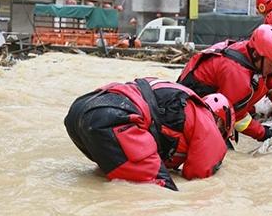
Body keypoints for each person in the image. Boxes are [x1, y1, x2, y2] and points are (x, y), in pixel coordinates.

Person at [64, 78, 235, 191]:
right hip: (114, 119)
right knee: (164, 197)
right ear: (221, 123)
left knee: (112, 184)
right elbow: (198, 177)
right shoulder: (206, 120)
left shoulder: (184, 102)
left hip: (81, 111)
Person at [177, 24, 272, 141]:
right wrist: (265, 133)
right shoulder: (236, 72)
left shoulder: (252, 53)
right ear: (256, 55)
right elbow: (237, 118)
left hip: (208, 106)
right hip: (191, 112)